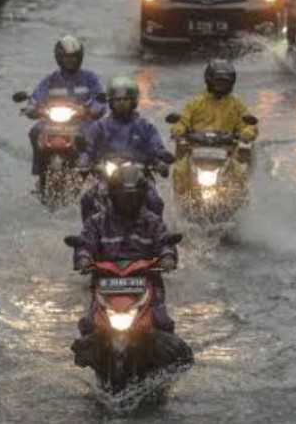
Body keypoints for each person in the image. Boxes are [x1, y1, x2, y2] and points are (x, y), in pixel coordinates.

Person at [71, 165, 179, 362]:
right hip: (106, 284)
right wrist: (83, 259)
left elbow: (165, 243)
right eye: (123, 197)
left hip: (146, 283)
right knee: (88, 325)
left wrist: (167, 257)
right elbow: (84, 244)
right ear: (112, 196)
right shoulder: (97, 222)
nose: (128, 203)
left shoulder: (153, 222)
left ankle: (167, 364)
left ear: (142, 197)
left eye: (133, 198)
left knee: (162, 322)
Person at [78, 75, 171, 221]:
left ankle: (156, 232)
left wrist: (160, 161)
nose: (122, 103)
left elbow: (156, 147)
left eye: (126, 100)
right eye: (118, 100)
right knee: (87, 199)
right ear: (111, 102)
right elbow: (87, 149)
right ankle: (90, 233)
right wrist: (84, 163)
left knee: (155, 201)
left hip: (140, 178)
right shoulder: (100, 127)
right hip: (107, 177)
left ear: (133, 101)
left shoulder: (145, 126)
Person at [23, 36, 107, 190]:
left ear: (80, 57)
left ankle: (94, 171)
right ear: (59, 58)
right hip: (52, 123)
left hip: (82, 122)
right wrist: (33, 108)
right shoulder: (50, 80)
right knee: (35, 132)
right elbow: (35, 98)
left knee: (97, 134)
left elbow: (100, 99)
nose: (71, 60)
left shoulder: (90, 78)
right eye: (67, 57)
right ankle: (39, 171)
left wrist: (90, 110)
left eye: (74, 57)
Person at [169, 60, 258, 197]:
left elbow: (248, 123)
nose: (221, 86)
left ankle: (236, 201)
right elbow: (182, 120)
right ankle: (181, 200)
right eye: (218, 82)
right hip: (196, 151)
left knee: (239, 174)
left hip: (227, 152)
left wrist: (247, 132)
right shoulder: (195, 103)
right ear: (209, 81)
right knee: (180, 171)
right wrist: (178, 129)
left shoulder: (236, 104)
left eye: (225, 82)